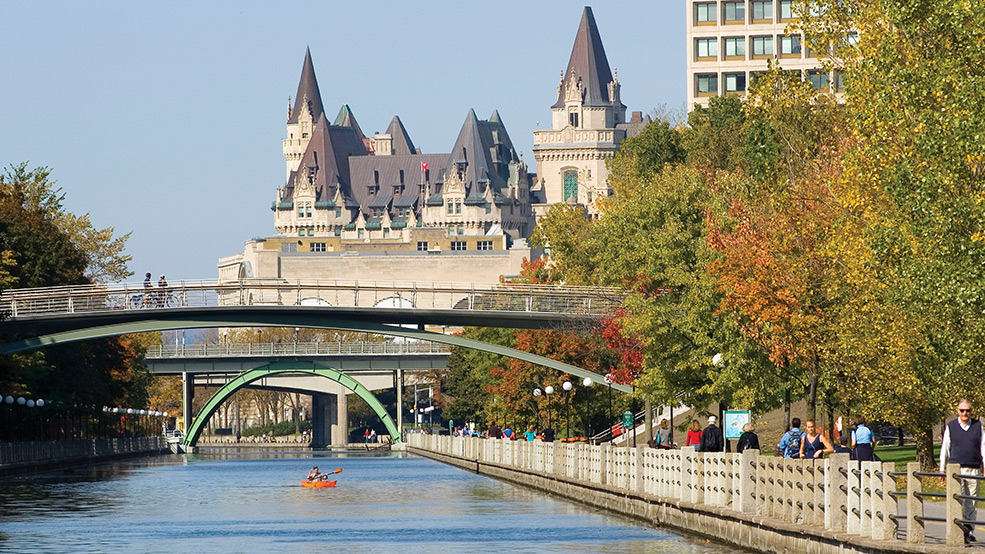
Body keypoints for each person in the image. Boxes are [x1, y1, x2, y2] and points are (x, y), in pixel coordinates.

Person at [939, 399, 985, 544]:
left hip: (974, 467)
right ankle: (959, 528)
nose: (965, 413)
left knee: (972, 501)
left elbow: (983, 447)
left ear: (971, 411)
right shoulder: (951, 427)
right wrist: (942, 469)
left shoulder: (978, 426)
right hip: (956, 469)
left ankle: (969, 530)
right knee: (959, 499)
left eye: (968, 411)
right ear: (957, 411)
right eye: (962, 411)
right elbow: (945, 448)